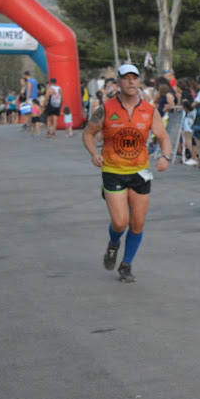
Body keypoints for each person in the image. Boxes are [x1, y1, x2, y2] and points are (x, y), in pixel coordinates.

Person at [82, 64, 172, 283]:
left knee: (138, 223)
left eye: (135, 78)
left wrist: (165, 157)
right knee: (121, 222)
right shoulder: (106, 108)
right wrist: (94, 154)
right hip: (113, 170)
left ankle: (126, 264)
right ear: (119, 82)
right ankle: (114, 243)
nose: (131, 82)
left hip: (140, 172)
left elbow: (163, 137)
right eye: (126, 78)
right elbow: (88, 134)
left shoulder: (150, 110)